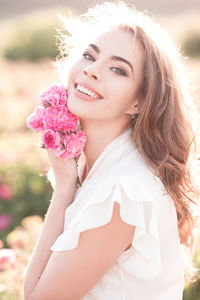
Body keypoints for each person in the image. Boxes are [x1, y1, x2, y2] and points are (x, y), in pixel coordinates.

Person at [24, 1, 200, 299]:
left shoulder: (121, 192)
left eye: (118, 69)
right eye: (89, 55)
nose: (92, 70)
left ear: (139, 102)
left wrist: (63, 189)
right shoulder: (100, 165)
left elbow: (37, 297)